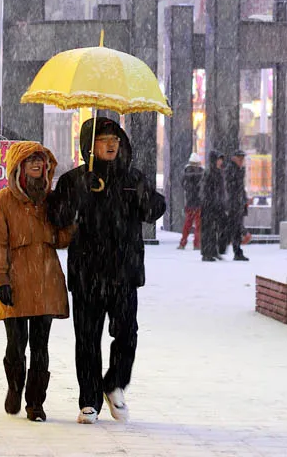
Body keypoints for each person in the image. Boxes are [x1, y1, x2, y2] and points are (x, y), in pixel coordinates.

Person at [47, 116, 166, 425]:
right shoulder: (74, 180)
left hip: (124, 272)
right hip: (87, 272)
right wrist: (78, 195)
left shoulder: (132, 178)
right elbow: (57, 216)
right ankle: (89, 400)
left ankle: (114, 383)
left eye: (115, 139)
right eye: (103, 139)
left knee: (127, 333)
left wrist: (143, 196)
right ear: (90, 145)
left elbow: (154, 210)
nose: (111, 144)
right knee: (87, 338)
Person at [0, 141, 75, 422]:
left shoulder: (50, 200)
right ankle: (15, 387)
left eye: (40, 159)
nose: (37, 164)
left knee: (40, 346)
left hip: (46, 279)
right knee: (16, 343)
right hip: (15, 278)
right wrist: (1, 278)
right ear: (18, 166)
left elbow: (60, 239)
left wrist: (71, 222)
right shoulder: (2, 201)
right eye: (30, 160)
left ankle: (35, 402)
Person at [200, 151, 226, 262]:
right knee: (208, 230)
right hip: (209, 206)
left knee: (216, 229)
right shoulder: (209, 173)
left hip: (217, 205)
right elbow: (207, 190)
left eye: (221, 159)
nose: (221, 161)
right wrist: (212, 201)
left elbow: (220, 190)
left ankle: (213, 251)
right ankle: (207, 253)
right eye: (219, 159)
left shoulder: (218, 172)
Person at [224, 150, 250, 261]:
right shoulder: (231, 169)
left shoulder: (239, 170)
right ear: (234, 158)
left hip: (238, 203)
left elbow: (240, 187)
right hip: (233, 204)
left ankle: (237, 251)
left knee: (235, 228)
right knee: (235, 227)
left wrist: (244, 199)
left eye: (242, 159)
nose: (241, 161)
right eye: (240, 158)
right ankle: (236, 251)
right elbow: (230, 188)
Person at [178, 151, 204, 250]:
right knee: (198, 225)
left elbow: (183, 185)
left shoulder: (186, 172)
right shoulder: (202, 173)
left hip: (190, 202)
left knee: (187, 224)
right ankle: (197, 244)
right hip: (199, 202)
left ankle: (183, 243)